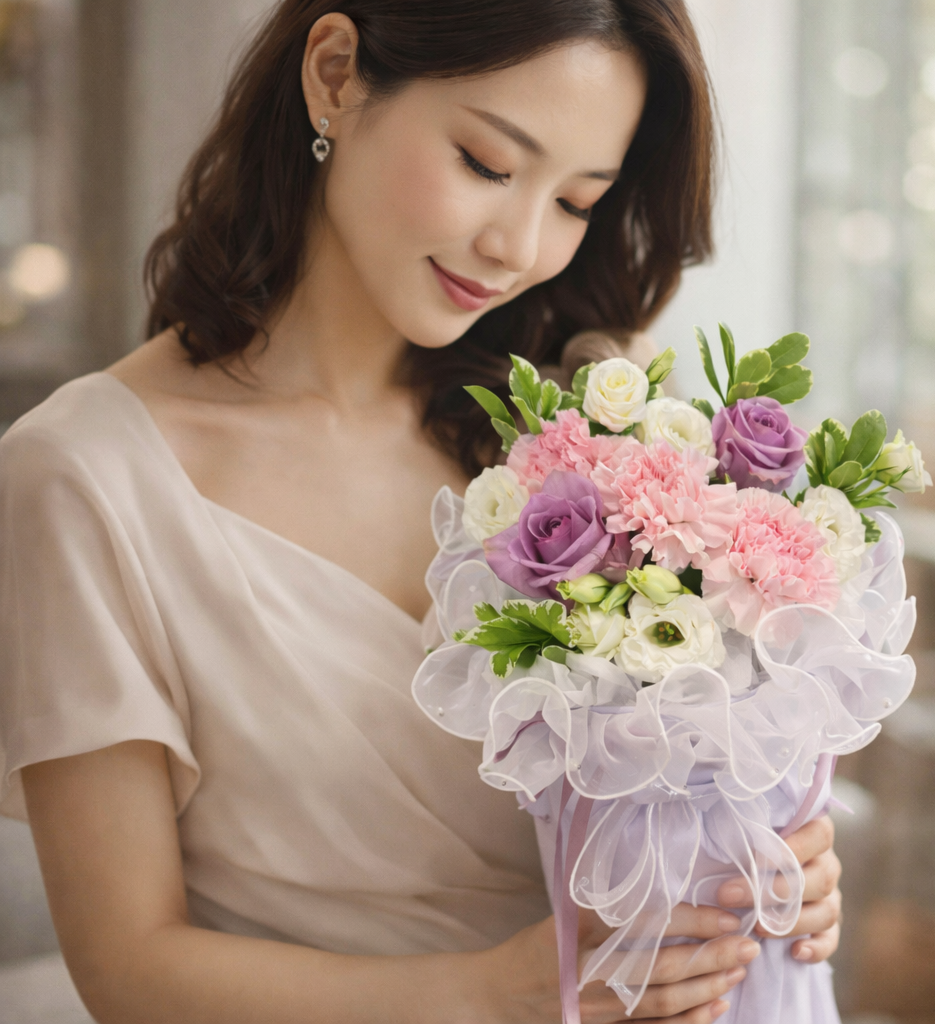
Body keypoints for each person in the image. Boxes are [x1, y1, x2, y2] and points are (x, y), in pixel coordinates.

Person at [0, 3, 841, 1022]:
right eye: (487, 162)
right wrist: (503, 994)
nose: (519, 244)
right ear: (336, 72)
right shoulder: (84, 476)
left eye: (578, 200)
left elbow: (678, 786)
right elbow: (130, 969)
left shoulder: (584, 424)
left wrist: (764, 858)